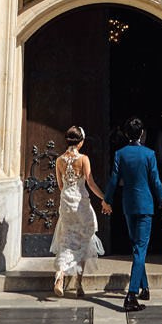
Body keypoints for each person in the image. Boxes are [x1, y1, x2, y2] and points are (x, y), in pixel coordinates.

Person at [104, 115, 162, 312]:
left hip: (128, 205)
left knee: (136, 246)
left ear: (126, 134)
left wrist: (106, 200)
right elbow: (156, 181)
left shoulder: (120, 154)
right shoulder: (149, 154)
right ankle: (131, 295)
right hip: (145, 205)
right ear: (142, 134)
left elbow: (113, 180)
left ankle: (145, 288)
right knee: (140, 249)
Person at [50, 125, 111, 298]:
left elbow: (61, 185)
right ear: (81, 142)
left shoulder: (59, 160)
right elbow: (90, 183)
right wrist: (104, 198)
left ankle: (60, 275)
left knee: (66, 238)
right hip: (81, 203)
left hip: (66, 203)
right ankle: (78, 284)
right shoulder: (83, 159)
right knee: (85, 239)